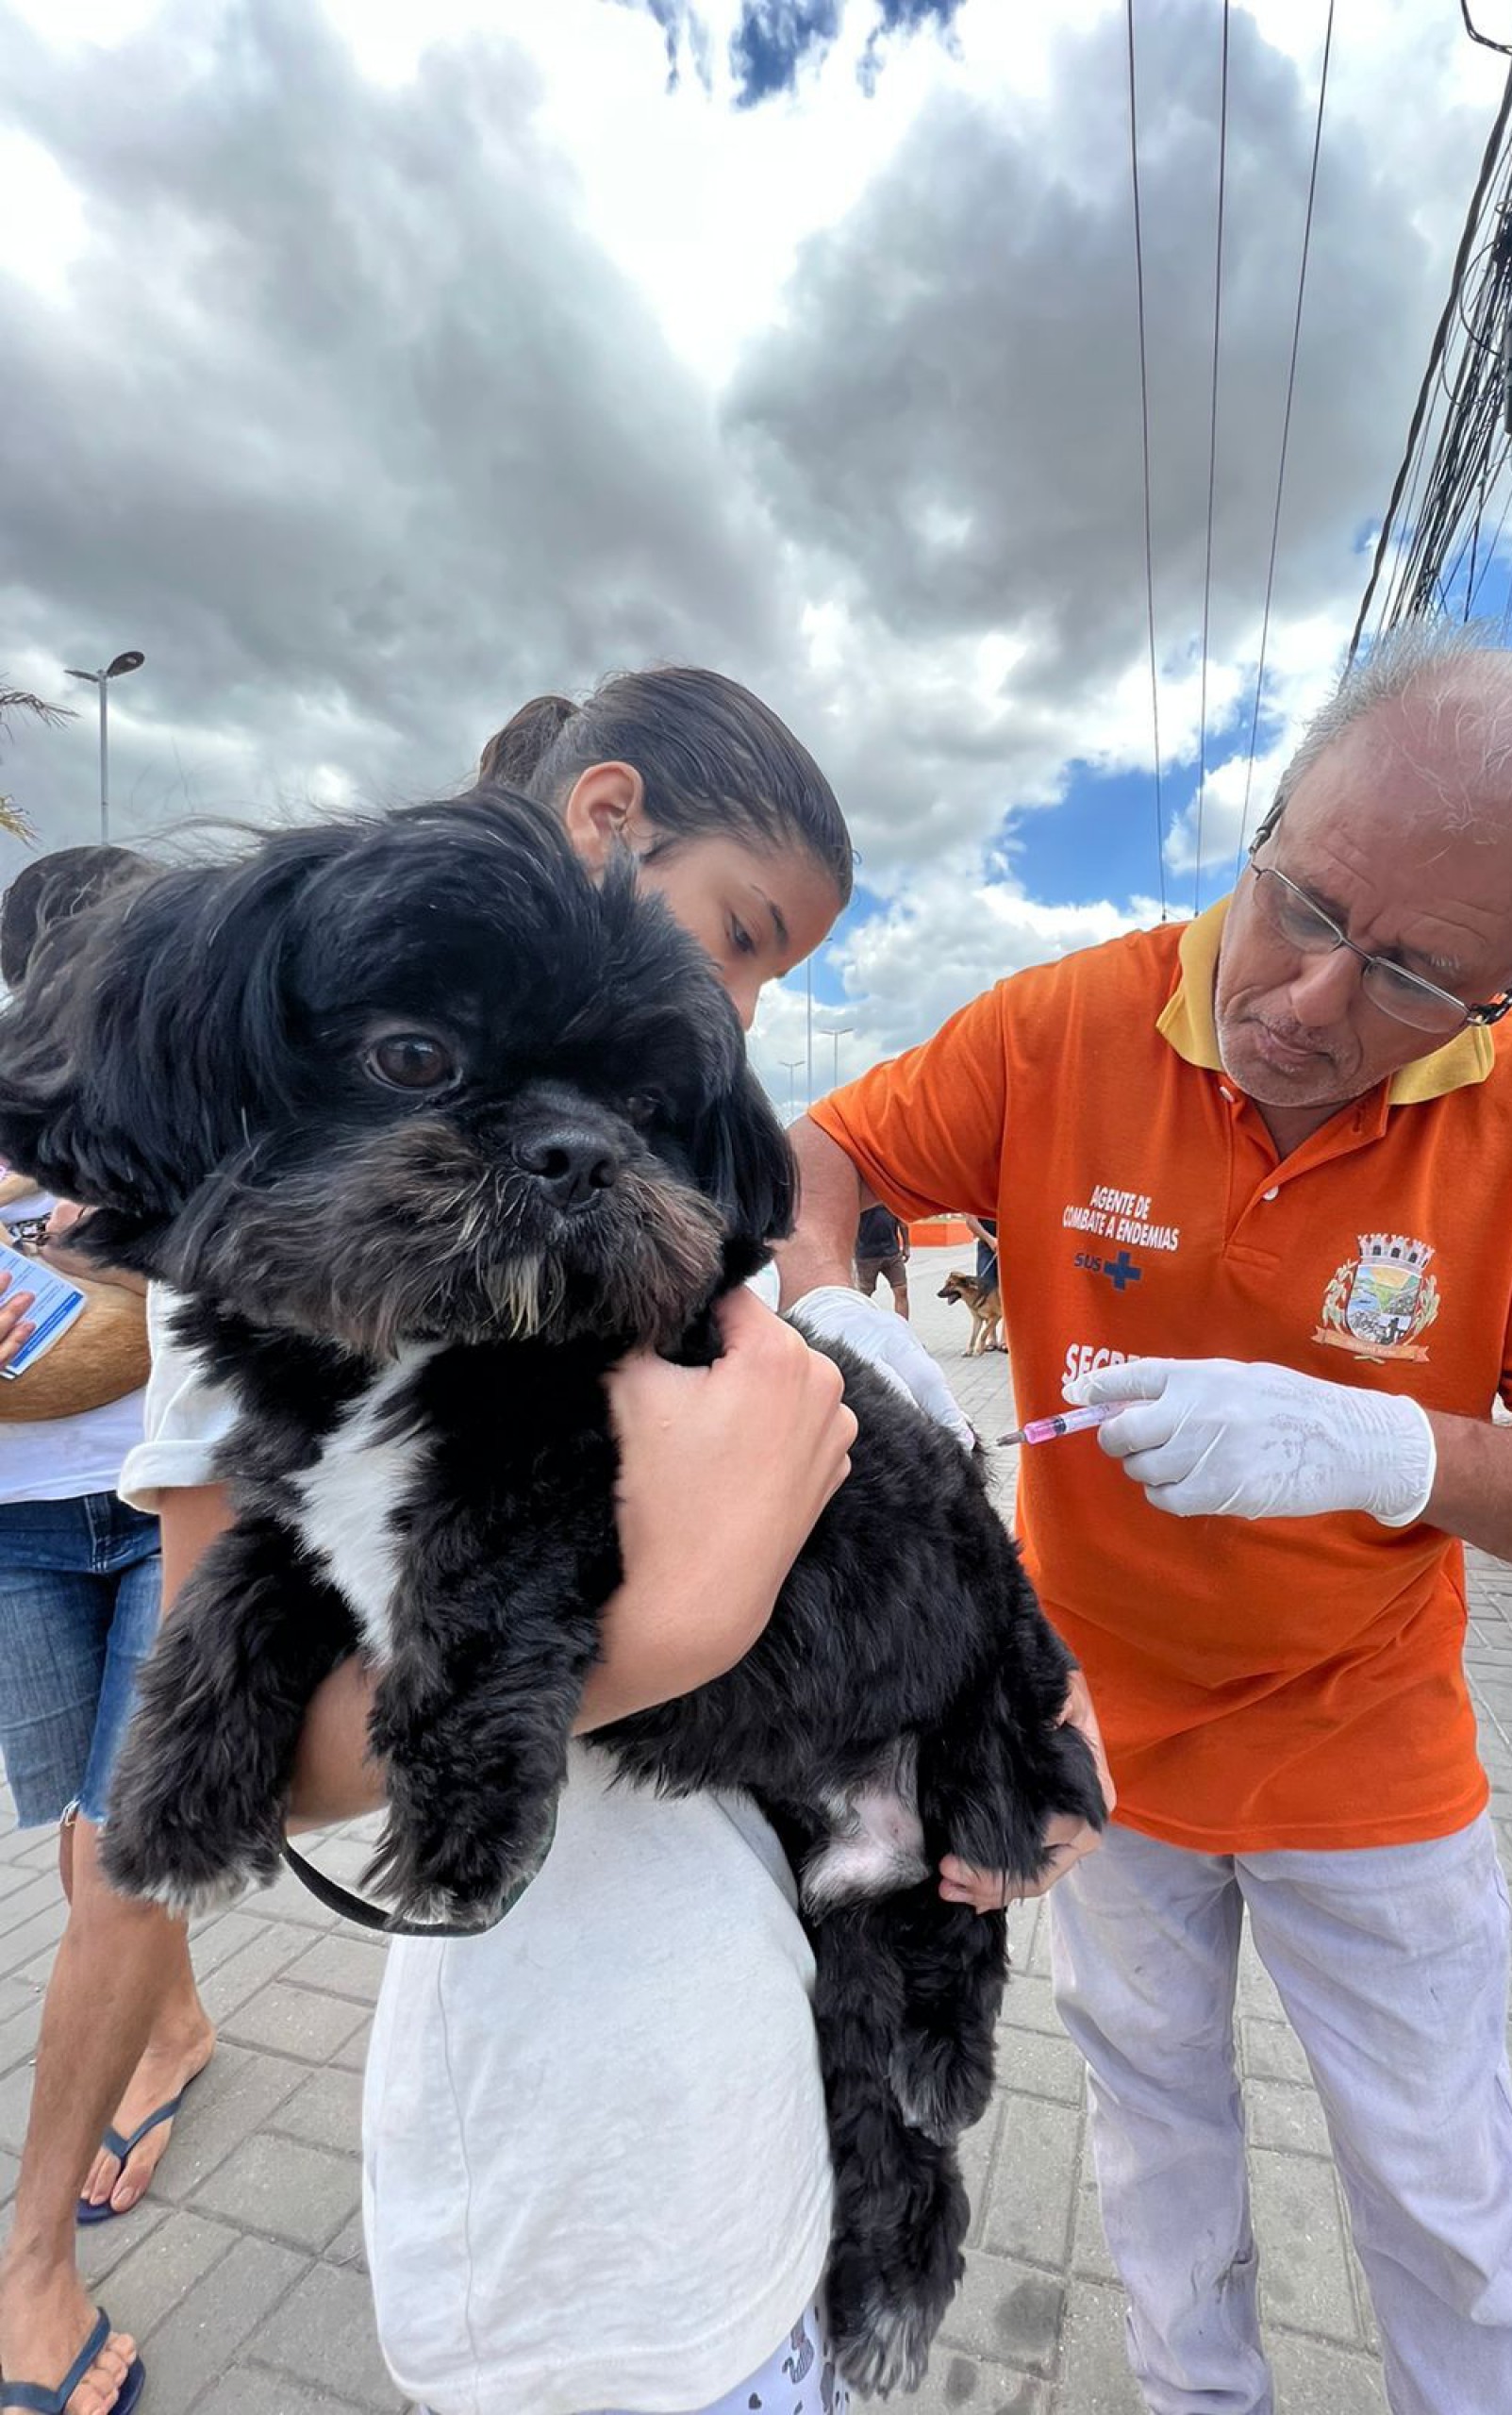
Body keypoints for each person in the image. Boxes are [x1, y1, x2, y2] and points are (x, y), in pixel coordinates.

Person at [777, 627, 1512, 2415]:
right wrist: (835, 1315)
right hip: (1100, 1747)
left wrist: (1390, 1451)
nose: (1308, 998)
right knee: (1153, 2145)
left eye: (1415, 973)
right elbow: (823, 1158)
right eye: (1305, 902)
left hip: (1373, 1764)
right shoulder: (1064, 1027)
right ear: (1273, 814)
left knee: (1443, 2193)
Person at [42, 668, 918, 2415]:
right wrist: (674, 1618)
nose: (740, 1007)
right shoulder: (288, 1263)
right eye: (744, 939)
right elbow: (243, 1770)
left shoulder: (666, 1216)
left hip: (757, 2046)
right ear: (606, 820)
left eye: (762, 979)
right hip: (556, 2179)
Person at [0, 861, 222, 2415]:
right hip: (13, 1530)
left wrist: (125, 1239)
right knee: (82, 1853)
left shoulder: (206, 1097)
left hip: (168, 1513)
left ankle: (25, 2273)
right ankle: (182, 2029)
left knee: (128, 1845)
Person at [851, 1201, 911, 1318]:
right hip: (866, 1256)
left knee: (901, 1290)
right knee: (864, 1295)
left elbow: (903, 1222)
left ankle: (903, 1328)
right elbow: (848, 1224)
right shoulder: (860, 1197)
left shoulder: (891, 1198)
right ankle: (863, 1326)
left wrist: (906, 1245)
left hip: (892, 1253)